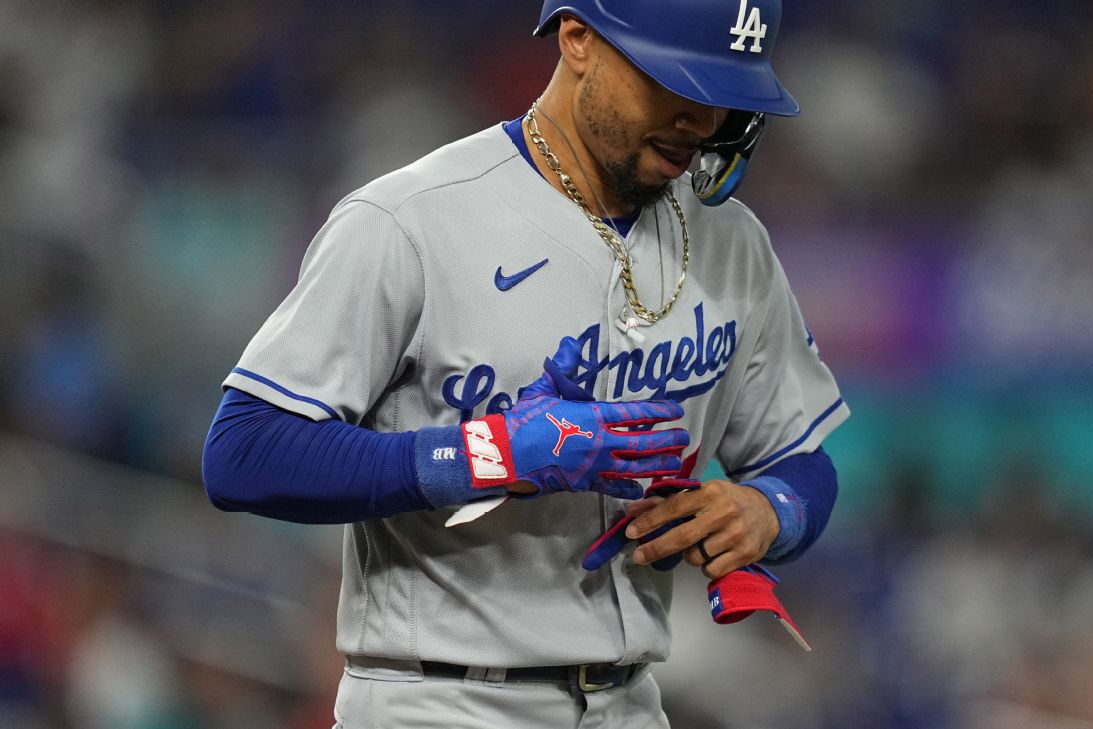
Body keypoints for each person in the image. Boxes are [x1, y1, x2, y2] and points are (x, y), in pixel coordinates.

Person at [201, 1, 849, 727]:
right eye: (677, 84)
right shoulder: (412, 220)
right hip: (439, 697)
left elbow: (801, 459)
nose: (700, 122)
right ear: (578, 39)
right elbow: (243, 452)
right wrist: (492, 452)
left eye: (723, 98)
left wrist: (768, 511)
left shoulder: (734, 242)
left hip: (632, 700)